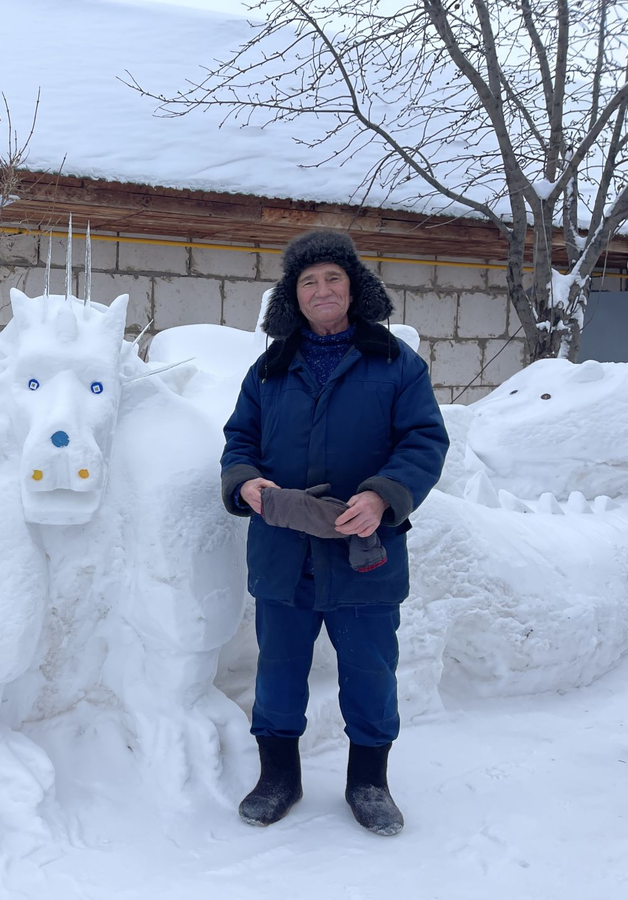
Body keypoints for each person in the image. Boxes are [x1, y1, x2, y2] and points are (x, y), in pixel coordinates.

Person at [220, 230, 448, 836]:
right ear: (293, 297)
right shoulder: (268, 370)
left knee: (371, 672)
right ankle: (278, 778)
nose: (322, 290)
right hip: (283, 552)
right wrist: (244, 482)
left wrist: (382, 496)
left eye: (333, 279)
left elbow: (425, 441)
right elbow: (238, 441)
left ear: (355, 288)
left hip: (365, 553)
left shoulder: (396, 364)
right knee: (279, 670)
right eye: (308, 281)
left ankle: (369, 783)